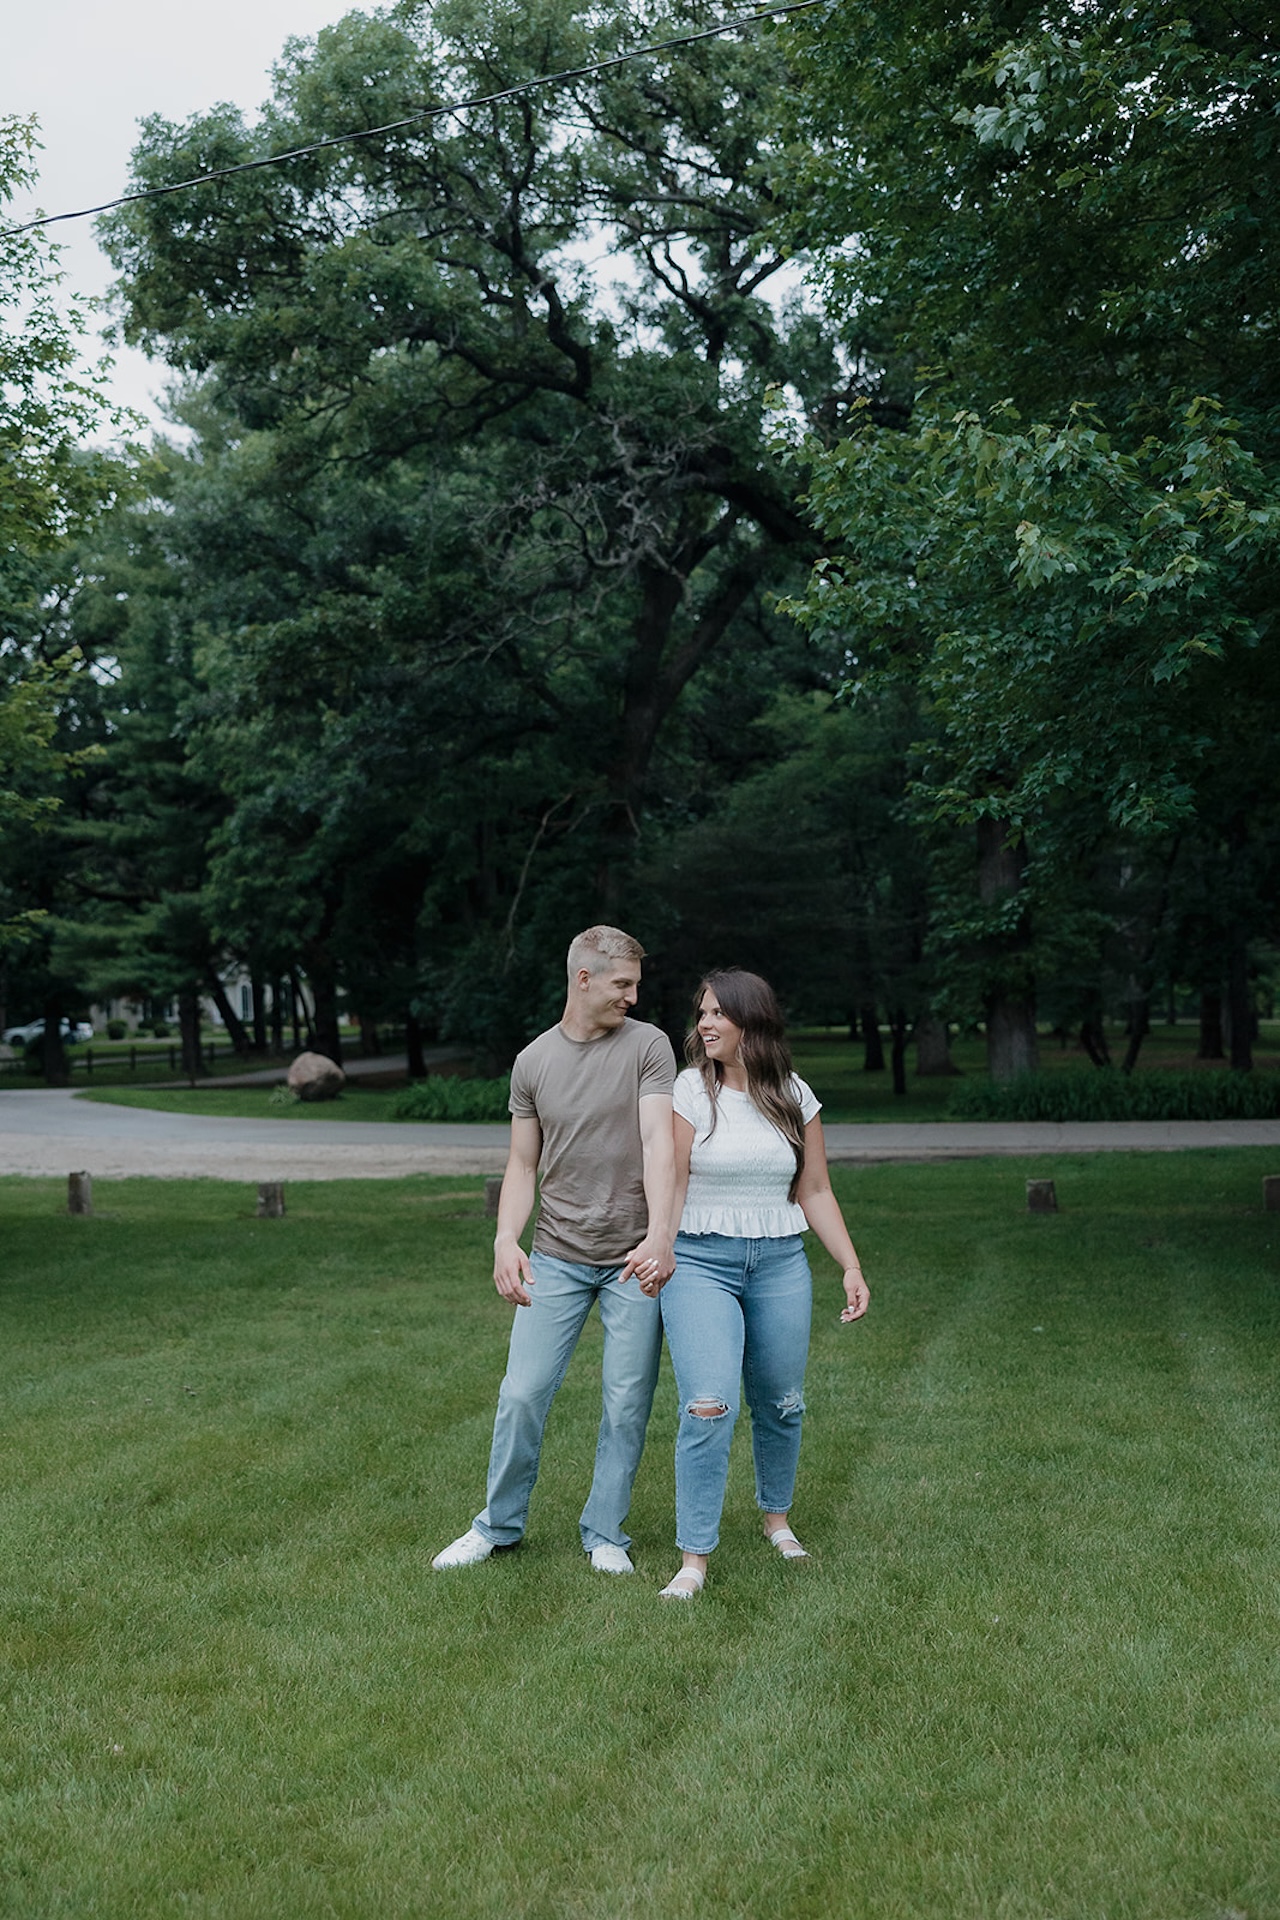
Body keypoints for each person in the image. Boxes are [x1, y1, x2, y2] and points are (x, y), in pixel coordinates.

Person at [432, 925, 677, 1574]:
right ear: (584, 979)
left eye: (636, 985)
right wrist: (504, 1238)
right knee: (522, 1394)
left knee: (626, 1401)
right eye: (622, 984)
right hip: (558, 1255)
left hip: (633, 1260)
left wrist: (660, 1233)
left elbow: (659, 1142)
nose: (632, 997)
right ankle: (497, 1526)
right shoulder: (533, 1061)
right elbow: (521, 1164)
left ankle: (605, 1533)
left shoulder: (648, 1046)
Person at [652, 968, 869, 1600]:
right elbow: (674, 1180)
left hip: (779, 1264)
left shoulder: (795, 1095)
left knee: (782, 1401)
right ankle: (694, 1559)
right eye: (702, 1012)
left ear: (752, 1020)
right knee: (708, 1404)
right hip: (699, 1262)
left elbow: (815, 1188)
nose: (705, 1023)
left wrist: (850, 1265)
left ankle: (777, 1520)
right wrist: (659, 1243)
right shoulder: (690, 1091)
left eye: (718, 1012)